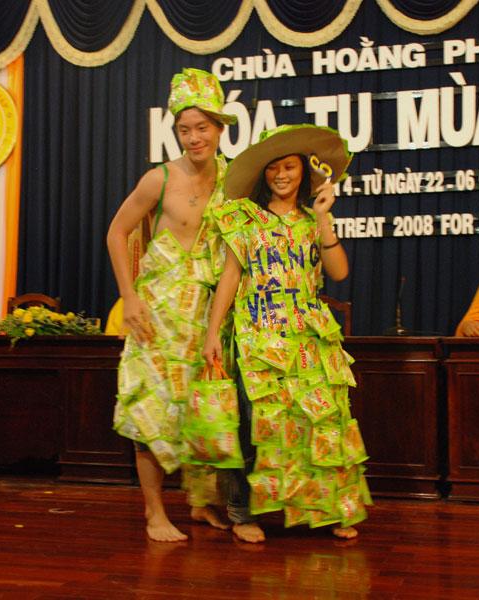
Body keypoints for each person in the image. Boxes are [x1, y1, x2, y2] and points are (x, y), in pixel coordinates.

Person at [203, 125, 372, 543]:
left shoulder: (313, 220)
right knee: (253, 424)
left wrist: (323, 216)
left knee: (320, 423)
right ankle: (241, 513)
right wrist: (212, 332)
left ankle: (328, 509)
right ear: (264, 174)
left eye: (290, 166)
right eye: (273, 167)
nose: (281, 175)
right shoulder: (245, 218)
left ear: (304, 172)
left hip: (308, 337)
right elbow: (230, 276)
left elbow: (339, 272)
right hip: (257, 334)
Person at [108, 68, 236, 542]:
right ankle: (155, 513)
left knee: (205, 410)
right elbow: (117, 232)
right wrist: (129, 297)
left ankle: (202, 503)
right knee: (153, 411)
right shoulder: (159, 178)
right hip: (157, 316)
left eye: (202, 127)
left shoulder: (235, 181)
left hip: (207, 314)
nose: (194, 137)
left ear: (220, 127)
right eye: (185, 129)